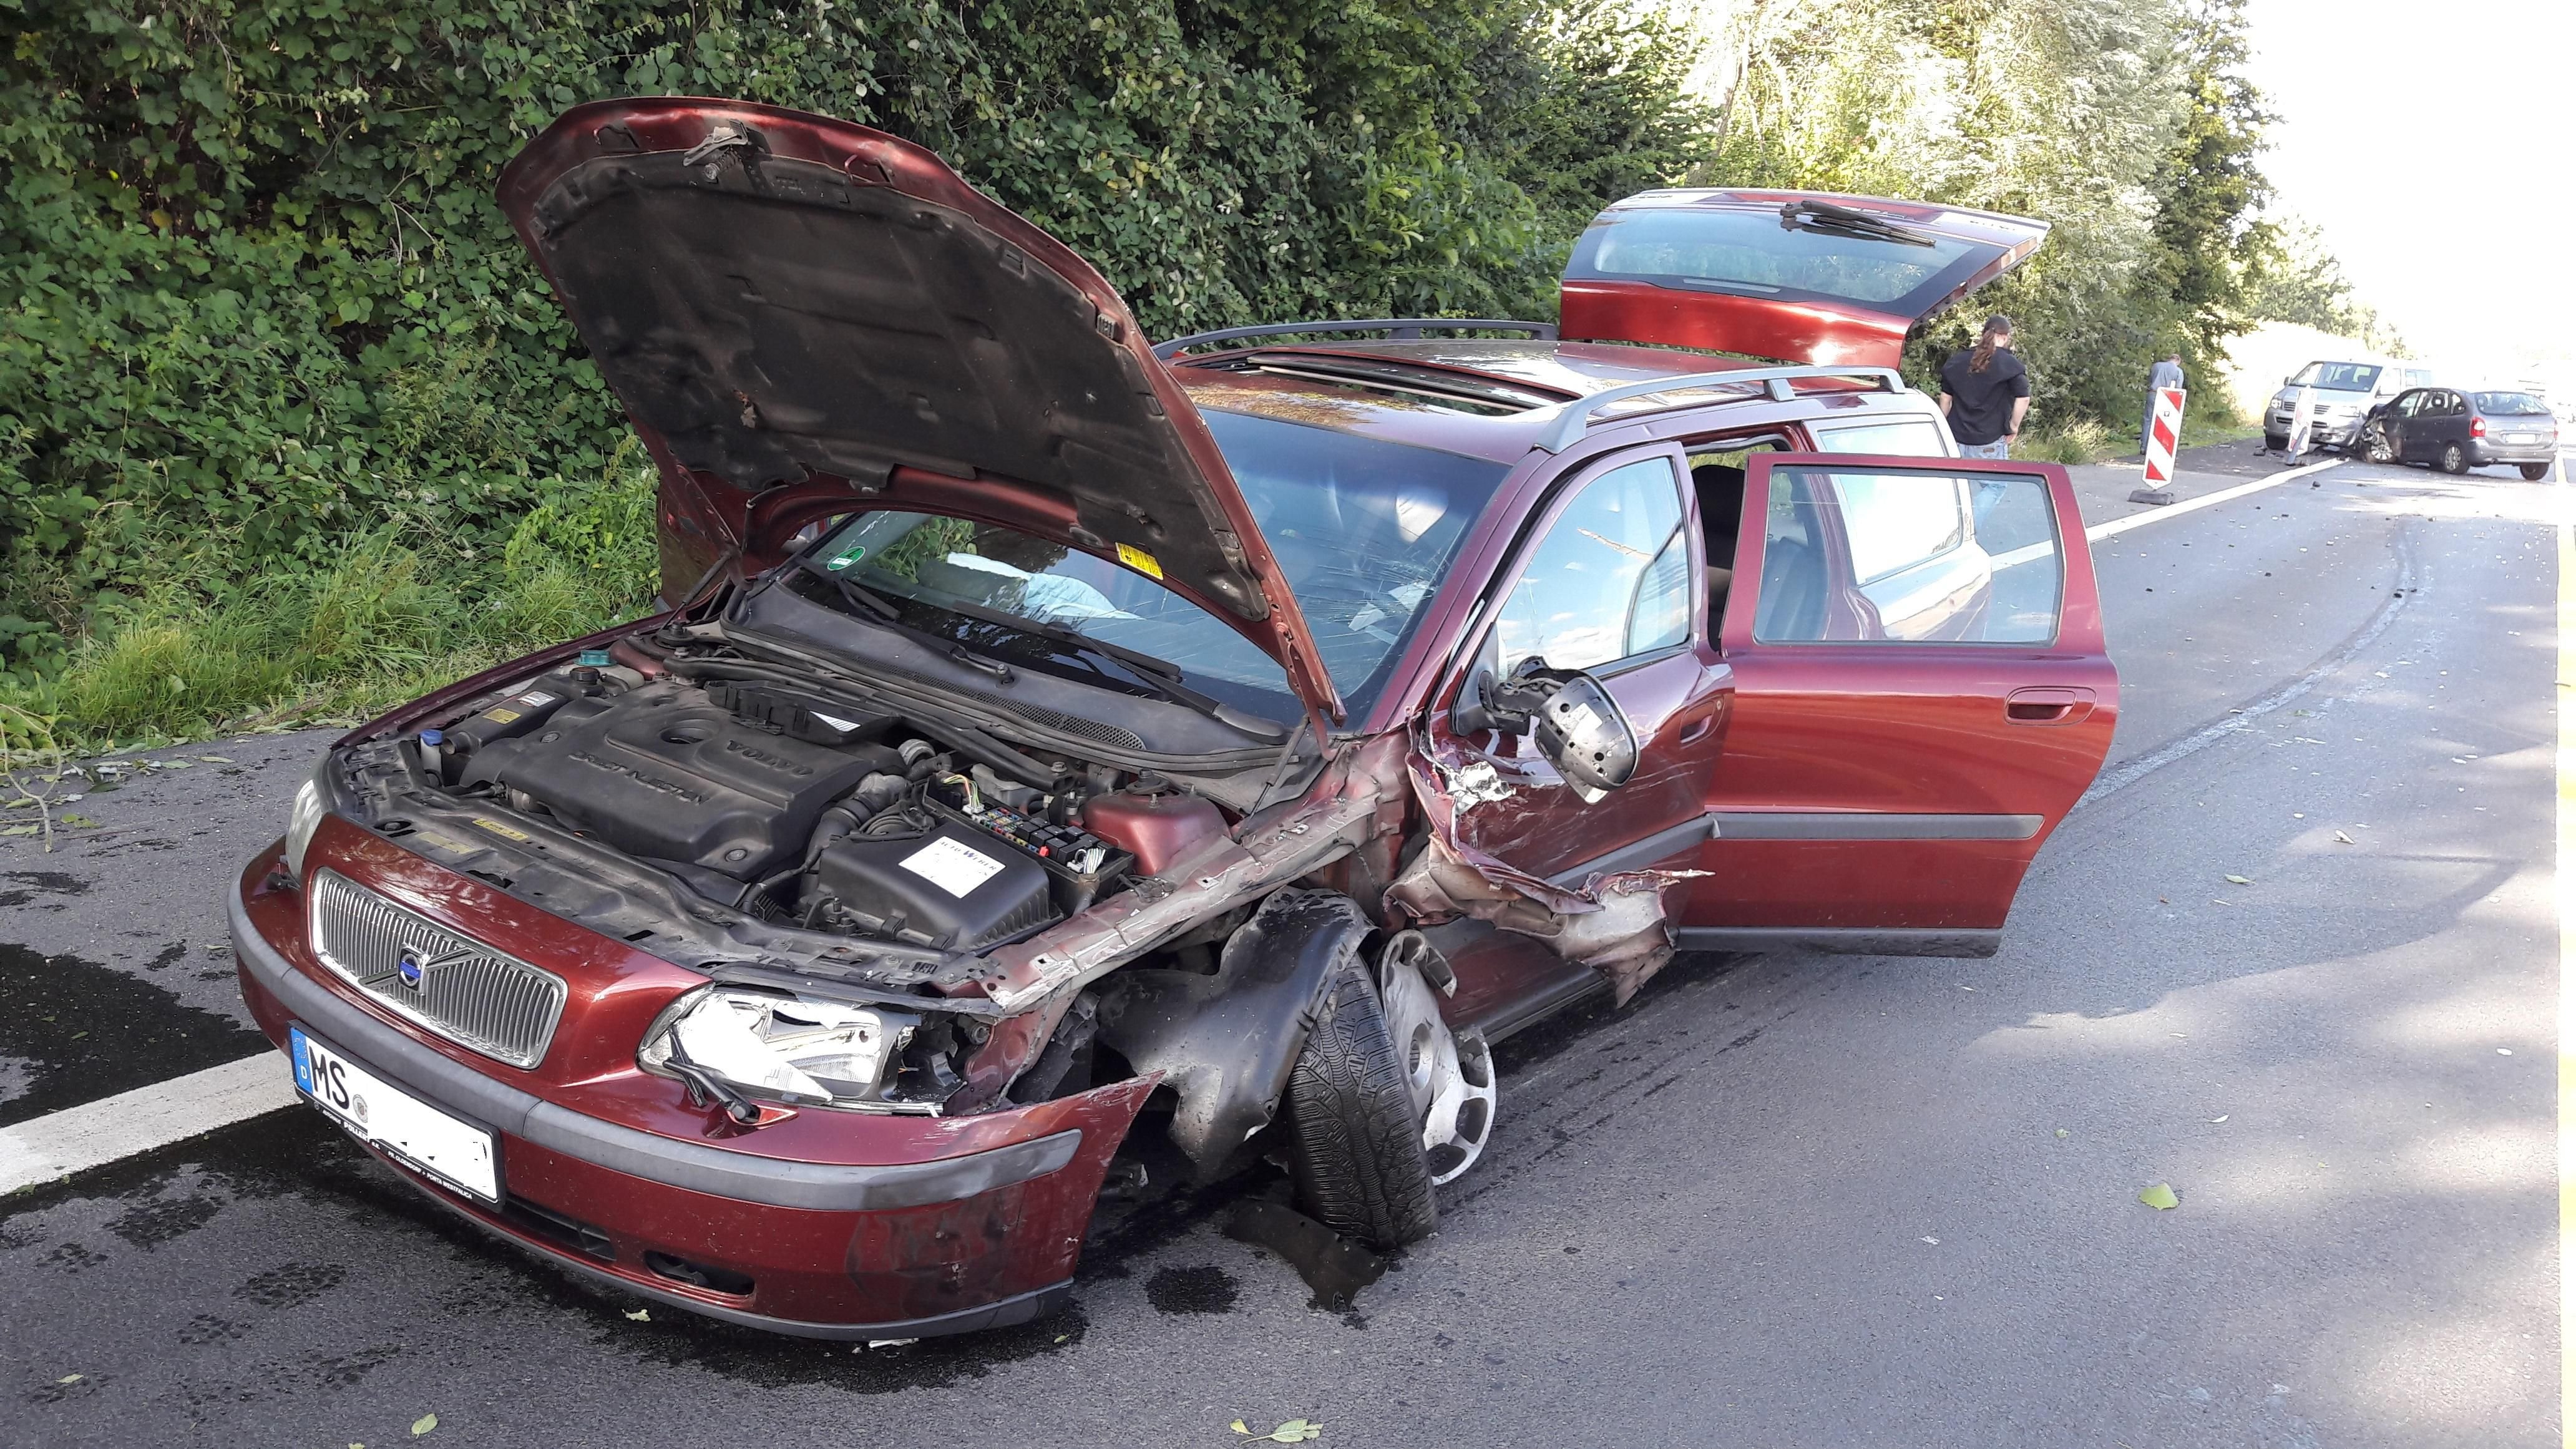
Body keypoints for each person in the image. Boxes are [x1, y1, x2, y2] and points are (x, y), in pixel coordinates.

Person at [1939, 315, 2030, 460]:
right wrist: (2013, 427)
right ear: (2006, 337)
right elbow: (2023, 399)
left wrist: (1941, 427)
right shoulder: (2011, 365)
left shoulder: (1956, 361)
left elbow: (1946, 398)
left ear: (1984, 334)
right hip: (1990, 441)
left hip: (1955, 439)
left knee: (1957, 482)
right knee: (1992, 483)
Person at [2143, 352, 2184, 459]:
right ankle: (2159, 447)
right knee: (2163, 422)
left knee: (2148, 420)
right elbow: (2178, 389)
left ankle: (2144, 447)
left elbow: (2150, 379)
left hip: (2152, 393)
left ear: (2169, 359)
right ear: (2178, 362)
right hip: (2166, 398)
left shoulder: (2156, 366)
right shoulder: (2178, 371)